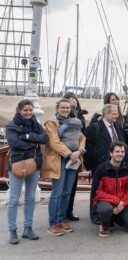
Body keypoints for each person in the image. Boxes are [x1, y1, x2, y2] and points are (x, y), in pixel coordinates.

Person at [6, 100, 48, 244]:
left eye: (31, 110)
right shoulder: (11, 126)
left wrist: (28, 137)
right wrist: (33, 143)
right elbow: (14, 143)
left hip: (34, 164)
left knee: (30, 198)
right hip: (17, 164)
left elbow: (45, 138)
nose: (29, 113)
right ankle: (12, 230)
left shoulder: (36, 124)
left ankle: (28, 228)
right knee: (14, 199)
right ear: (19, 110)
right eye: (25, 110)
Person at [42, 99, 86, 236]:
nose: (65, 110)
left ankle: (61, 219)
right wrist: (69, 154)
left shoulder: (73, 122)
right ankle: (52, 223)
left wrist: (79, 151)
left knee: (67, 192)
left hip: (73, 158)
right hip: (59, 160)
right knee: (57, 192)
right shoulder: (51, 123)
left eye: (67, 108)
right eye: (63, 107)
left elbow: (82, 137)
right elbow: (53, 142)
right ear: (58, 108)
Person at [91, 141, 128, 237]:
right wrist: (117, 201)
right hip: (106, 202)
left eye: (122, 152)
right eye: (117, 151)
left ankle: (113, 218)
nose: (120, 154)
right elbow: (96, 192)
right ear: (111, 153)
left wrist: (123, 203)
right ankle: (105, 223)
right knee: (105, 209)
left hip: (122, 203)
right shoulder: (101, 169)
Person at [63, 92, 87, 222]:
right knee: (63, 187)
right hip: (65, 153)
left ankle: (69, 211)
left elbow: (82, 135)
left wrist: (80, 150)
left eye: (74, 99)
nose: (73, 101)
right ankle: (61, 213)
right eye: (70, 99)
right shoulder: (63, 116)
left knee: (72, 185)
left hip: (77, 153)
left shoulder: (81, 116)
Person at [84, 104, 126, 175]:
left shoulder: (118, 127)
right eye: (114, 114)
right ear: (106, 114)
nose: (117, 116)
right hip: (100, 167)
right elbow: (87, 148)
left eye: (117, 113)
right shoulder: (94, 128)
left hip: (117, 166)